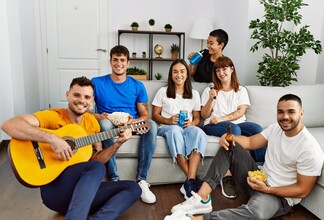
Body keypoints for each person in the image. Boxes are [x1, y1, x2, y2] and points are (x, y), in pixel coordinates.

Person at [161, 94, 324, 220]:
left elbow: (302, 190)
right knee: (230, 145)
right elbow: (250, 142)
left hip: (277, 196)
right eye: (280, 112)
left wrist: (267, 189)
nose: (285, 117)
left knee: (255, 213)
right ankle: (202, 198)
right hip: (256, 178)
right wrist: (227, 137)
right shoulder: (276, 128)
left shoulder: (309, 149)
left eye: (291, 112)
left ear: (301, 113)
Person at [1, 77, 141, 220]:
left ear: (92, 100)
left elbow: (96, 162)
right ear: (68, 95)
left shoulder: (91, 123)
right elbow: (9, 125)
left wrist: (117, 144)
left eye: (87, 97)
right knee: (97, 169)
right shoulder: (54, 116)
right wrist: (52, 139)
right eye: (77, 95)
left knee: (134, 188)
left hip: (82, 193)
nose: (82, 101)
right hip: (55, 193)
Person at [91, 45, 157, 204]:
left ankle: (141, 179)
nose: (118, 63)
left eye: (122, 60)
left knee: (152, 126)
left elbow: (145, 114)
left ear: (128, 63)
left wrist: (133, 121)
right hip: (108, 123)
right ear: (110, 61)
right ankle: (114, 179)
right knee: (105, 126)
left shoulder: (137, 85)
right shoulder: (97, 83)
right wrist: (100, 116)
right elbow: (84, 112)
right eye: (115, 60)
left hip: (131, 123)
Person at [201, 56, 266, 199]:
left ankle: (259, 168)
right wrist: (211, 99)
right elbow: (204, 114)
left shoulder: (241, 90)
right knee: (234, 131)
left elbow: (240, 112)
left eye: (224, 69)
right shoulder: (209, 90)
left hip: (234, 122)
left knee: (257, 129)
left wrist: (222, 118)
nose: (221, 73)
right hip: (213, 125)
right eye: (218, 70)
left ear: (231, 69)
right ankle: (227, 177)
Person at [152, 59, 207, 199]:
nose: (179, 75)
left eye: (182, 71)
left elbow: (197, 118)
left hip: (186, 128)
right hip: (167, 127)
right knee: (175, 130)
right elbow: (155, 115)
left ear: (187, 74)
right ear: (171, 75)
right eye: (175, 72)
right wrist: (169, 120)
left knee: (199, 132)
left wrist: (192, 124)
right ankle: (192, 181)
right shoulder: (163, 91)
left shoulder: (194, 94)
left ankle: (189, 181)